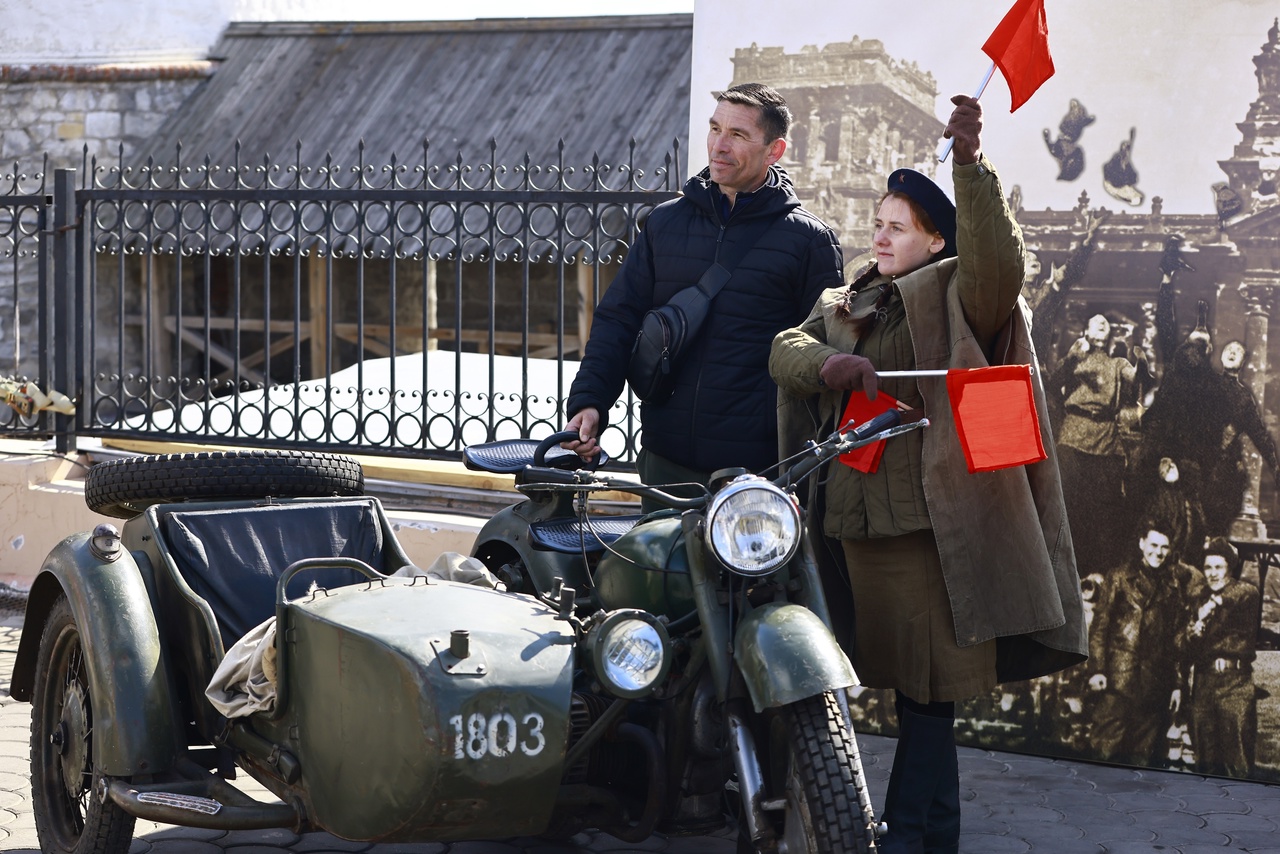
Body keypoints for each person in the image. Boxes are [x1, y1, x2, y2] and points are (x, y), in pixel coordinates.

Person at [769, 94, 1086, 854]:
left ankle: (918, 836)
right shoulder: (843, 299)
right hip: (844, 533)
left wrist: (972, 167)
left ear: (935, 239)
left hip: (924, 539)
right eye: (876, 221)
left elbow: (997, 264)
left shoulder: (959, 297)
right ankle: (859, 824)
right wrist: (830, 362)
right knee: (842, 697)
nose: (878, 234)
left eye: (897, 226)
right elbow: (784, 349)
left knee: (928, 700)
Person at [561, 83, 843, 499]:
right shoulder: (664, 224)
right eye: (715, 129)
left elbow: (820, 352)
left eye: (738, 135)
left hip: (758, 471)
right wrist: (590, 402)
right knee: (659, 565)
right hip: (664, 461)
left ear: (774, 150)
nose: (719, 145)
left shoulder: (809, 241)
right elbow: (618, 320)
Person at [1087, 523, 1204, 768]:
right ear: (1142, 544)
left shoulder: (1172, 587)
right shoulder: (1119, 578)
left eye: (1164, 547)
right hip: (1118, 682)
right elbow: (1100, 628)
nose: (1158, 553)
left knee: (1142, 762)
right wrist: (1098, 669)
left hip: (1154, 688)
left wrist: (1177, 685)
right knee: (1104, 755)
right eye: (1153, 545)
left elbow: (1175, 642)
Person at [1185, 537, 1260, 778]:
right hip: (1204, 684)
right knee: (1205, 758)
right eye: (1208, 567)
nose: (1213, 573)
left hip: (1234, 684)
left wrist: (1213, 604)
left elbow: (1241, 594)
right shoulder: (1197, 596)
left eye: (1219, 567)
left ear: (1229, 567)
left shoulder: (1245, 593)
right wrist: (1191, 633)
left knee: (1236, 761)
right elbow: (1185, 644)